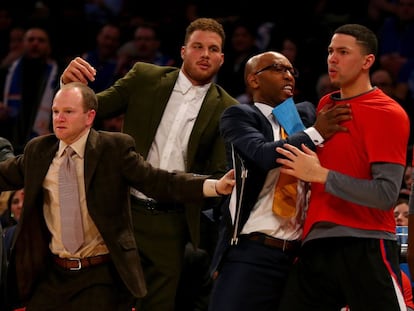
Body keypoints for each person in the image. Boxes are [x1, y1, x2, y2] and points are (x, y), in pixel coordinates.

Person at [50, 17, 239, 311]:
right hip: (122, 211)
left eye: (213, 49)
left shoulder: (228, 108)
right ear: (182, 51)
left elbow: (216, 174)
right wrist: (68, 87)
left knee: (158, 304)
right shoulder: (145, 76)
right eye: (198, 46)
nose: (205, 54)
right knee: (99, 299)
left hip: (173, 223)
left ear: (222, 58)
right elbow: (90, 110)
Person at [1, 82, 235, 311]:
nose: (59, 118)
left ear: (89, 116)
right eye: (55, 111)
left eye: (68, 112)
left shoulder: (113, 148)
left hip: (100, 275)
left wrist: (212, 185)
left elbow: (159, 182)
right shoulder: (38, 150)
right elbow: (5, 174)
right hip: (50, 273)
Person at [275, 23, 410, 310]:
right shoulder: (326, 105)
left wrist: (320, 174)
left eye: (343, 52)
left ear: (367, 61)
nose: (332, 59)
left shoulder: (388, 113)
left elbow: (386, 194)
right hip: (316, 242)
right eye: (330, 51)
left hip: (367, 242)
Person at [208, 51, 351, 311]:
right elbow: (264, 155)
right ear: (254, 80)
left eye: (291, 71)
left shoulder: (304, 115)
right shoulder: (239, 116)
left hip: (300, 255)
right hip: (252, 251)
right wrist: (316, 132)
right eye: (277, 68)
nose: (288, 75)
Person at [0, 26, 60, 154]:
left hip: (43, 142)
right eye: (31, 39)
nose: (35, 43)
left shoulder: (57, 75)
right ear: (23, 44)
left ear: (49, 47)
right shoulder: (8, 73)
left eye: (41, 40)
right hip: (9, 136)